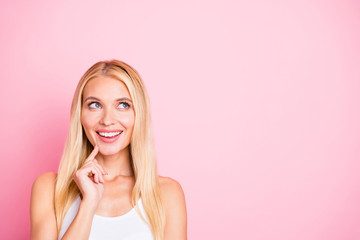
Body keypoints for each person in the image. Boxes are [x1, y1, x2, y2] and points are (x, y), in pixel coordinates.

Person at [30, 59, 187, 240]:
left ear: (139, 114)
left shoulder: (166, 193)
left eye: (123, 105)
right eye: (95, 105)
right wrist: (89, 204)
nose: (107, 120)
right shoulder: (50, 188)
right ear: (80, 114)